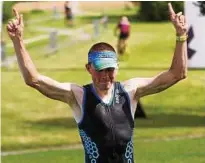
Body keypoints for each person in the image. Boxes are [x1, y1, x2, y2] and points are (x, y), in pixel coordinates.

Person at [7, 3, 187, 163]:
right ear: (88, 68)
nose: (105, 75)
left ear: (116, 68)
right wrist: (18, 41)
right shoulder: (78, 96)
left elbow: (177, 74)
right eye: (99, 69)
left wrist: (181, 36)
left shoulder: (130, 92)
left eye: (110, 69)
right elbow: (34, 79)